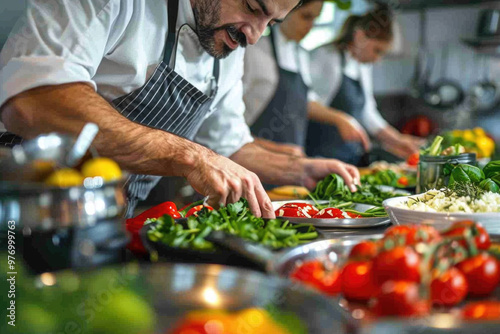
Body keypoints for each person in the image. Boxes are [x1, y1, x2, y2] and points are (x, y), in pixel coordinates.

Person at [0, 0, 360, 218]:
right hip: (21, 214)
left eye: (271, 25)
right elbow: (34, 100)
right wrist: (191, 156)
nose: (254, 36)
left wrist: (301, 170)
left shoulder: (228, 47)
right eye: (253, 8)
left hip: (114, 226)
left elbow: (231, 146)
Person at [243, 0, 370, 159]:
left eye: (315, 19)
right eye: (306, 17)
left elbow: (304, 100)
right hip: (253, 162)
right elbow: (227, 120)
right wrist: (270, 149)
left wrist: (341, 119)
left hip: (292, 163)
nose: (310, 26)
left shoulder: (300, 55)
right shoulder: (254, 52)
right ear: (285, 10)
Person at [306, 4, 423, 165]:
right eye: (377, 50)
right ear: (360, 37)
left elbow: (368, 113)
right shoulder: (326, 57)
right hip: (321, 156)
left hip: (349, 156)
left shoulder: (362, 66)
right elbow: (308, 106)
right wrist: (340, 119)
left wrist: (398, 139)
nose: (378, 59)